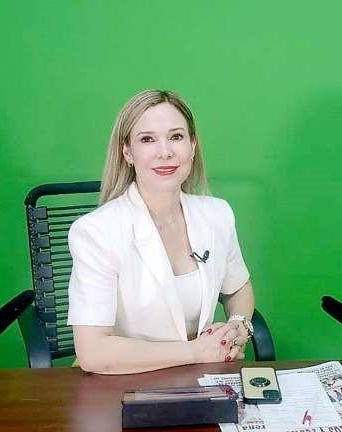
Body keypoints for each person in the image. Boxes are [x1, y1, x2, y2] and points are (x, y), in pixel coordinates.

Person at [67, 89, 255, 374]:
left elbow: (238, 287)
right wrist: (196, 352)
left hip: (200, 379)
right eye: (147, 139)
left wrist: (239, 324)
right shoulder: (95, 232)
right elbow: (93, 352)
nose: (165, 152)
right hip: (122, 383)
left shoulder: (217, 214)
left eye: (176, 137)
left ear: (193, 145)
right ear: (127, 152)